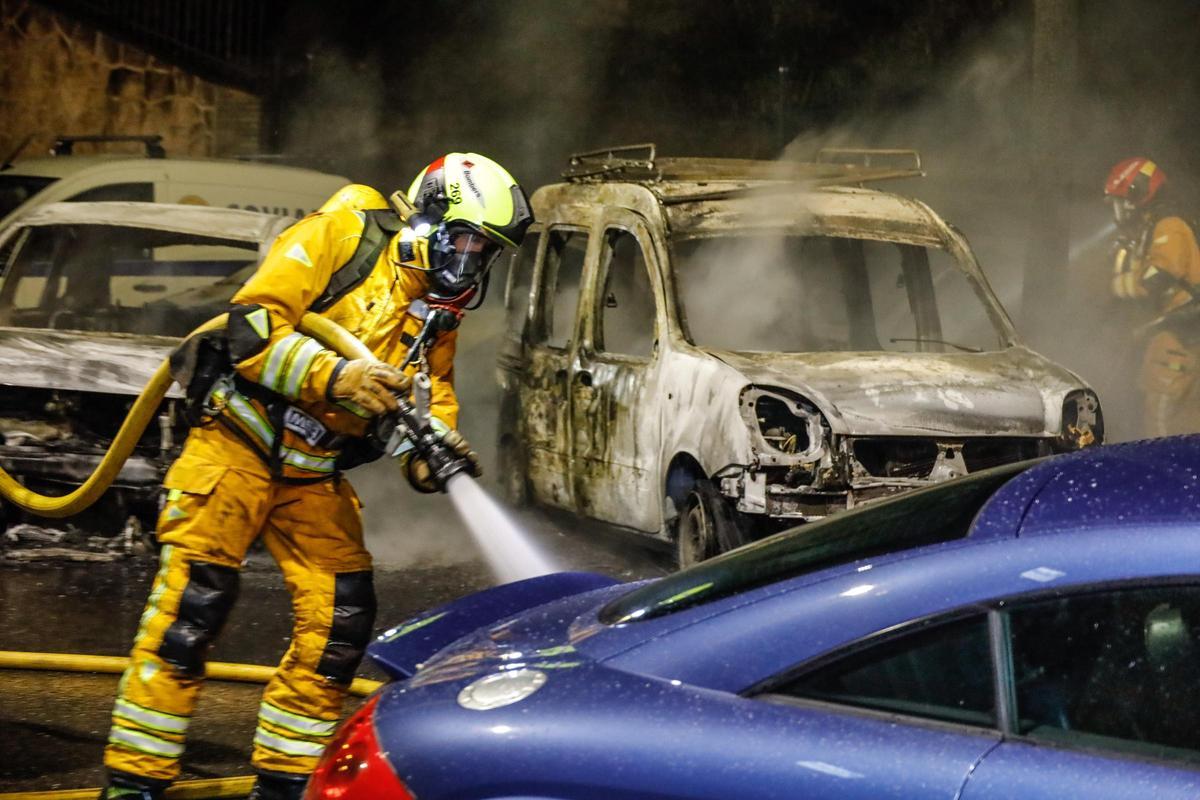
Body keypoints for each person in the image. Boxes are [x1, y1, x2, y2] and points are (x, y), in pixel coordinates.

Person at [99, 153, 533, 800]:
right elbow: (252, 329)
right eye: (465, 239)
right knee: (192, 611)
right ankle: (134, 781)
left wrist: (431, 450)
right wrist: (337, 376)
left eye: (485, 249)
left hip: (313, 473)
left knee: (339, 623)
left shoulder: (439, 306)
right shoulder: (347, 230)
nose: (471, 260)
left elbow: (432, 387)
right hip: (236, 446)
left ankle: (285, 781)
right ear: (428, 219)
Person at [1105, 157, 1200, 436]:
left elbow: (1156, 278)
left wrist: (1120, 283)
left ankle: (1167, 469)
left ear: (1138, 192)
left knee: (1163, 406)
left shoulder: (1169, 225)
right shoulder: (1152, 229)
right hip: (1181, 328)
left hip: (1184, 330)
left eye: (1120, 201)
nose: (1118, 211)